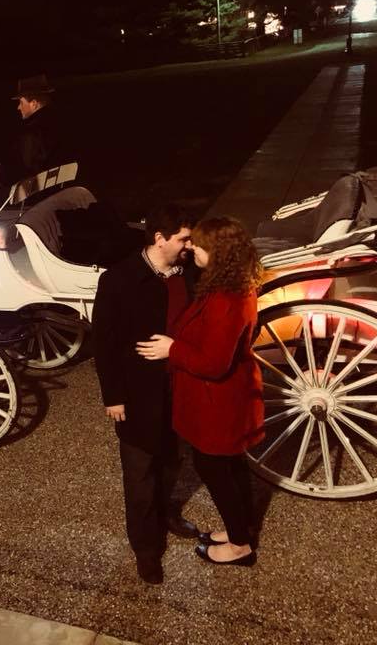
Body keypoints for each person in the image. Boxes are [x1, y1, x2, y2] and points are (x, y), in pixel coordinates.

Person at [136, 216, 265, 567]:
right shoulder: (233, 284)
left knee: (214, 468)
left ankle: (240, 546)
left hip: (217, 402)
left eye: (200, 244)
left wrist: (172, 350)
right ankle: (241, 527)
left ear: (218, 253)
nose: (192, 247)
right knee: (231, 466)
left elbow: (214, 363)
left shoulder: (227, 298)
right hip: (227, 398)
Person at [91, 203, 200, 585]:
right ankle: (146, 549)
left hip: (178, 389)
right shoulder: (119, 280)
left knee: (171, 460)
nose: (189, 245)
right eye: (184, 238)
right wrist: (113, 397)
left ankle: (165, 514)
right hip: (137, 395)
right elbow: (103, 344)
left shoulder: (187, 274)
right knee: (139, 475)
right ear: (160, 238)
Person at [0, 74, 61, 192]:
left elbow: (24, 167)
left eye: (21, 102)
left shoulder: (32, 131)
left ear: (34, 103)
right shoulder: (57, 123)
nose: (18, 107)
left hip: (41, 195)